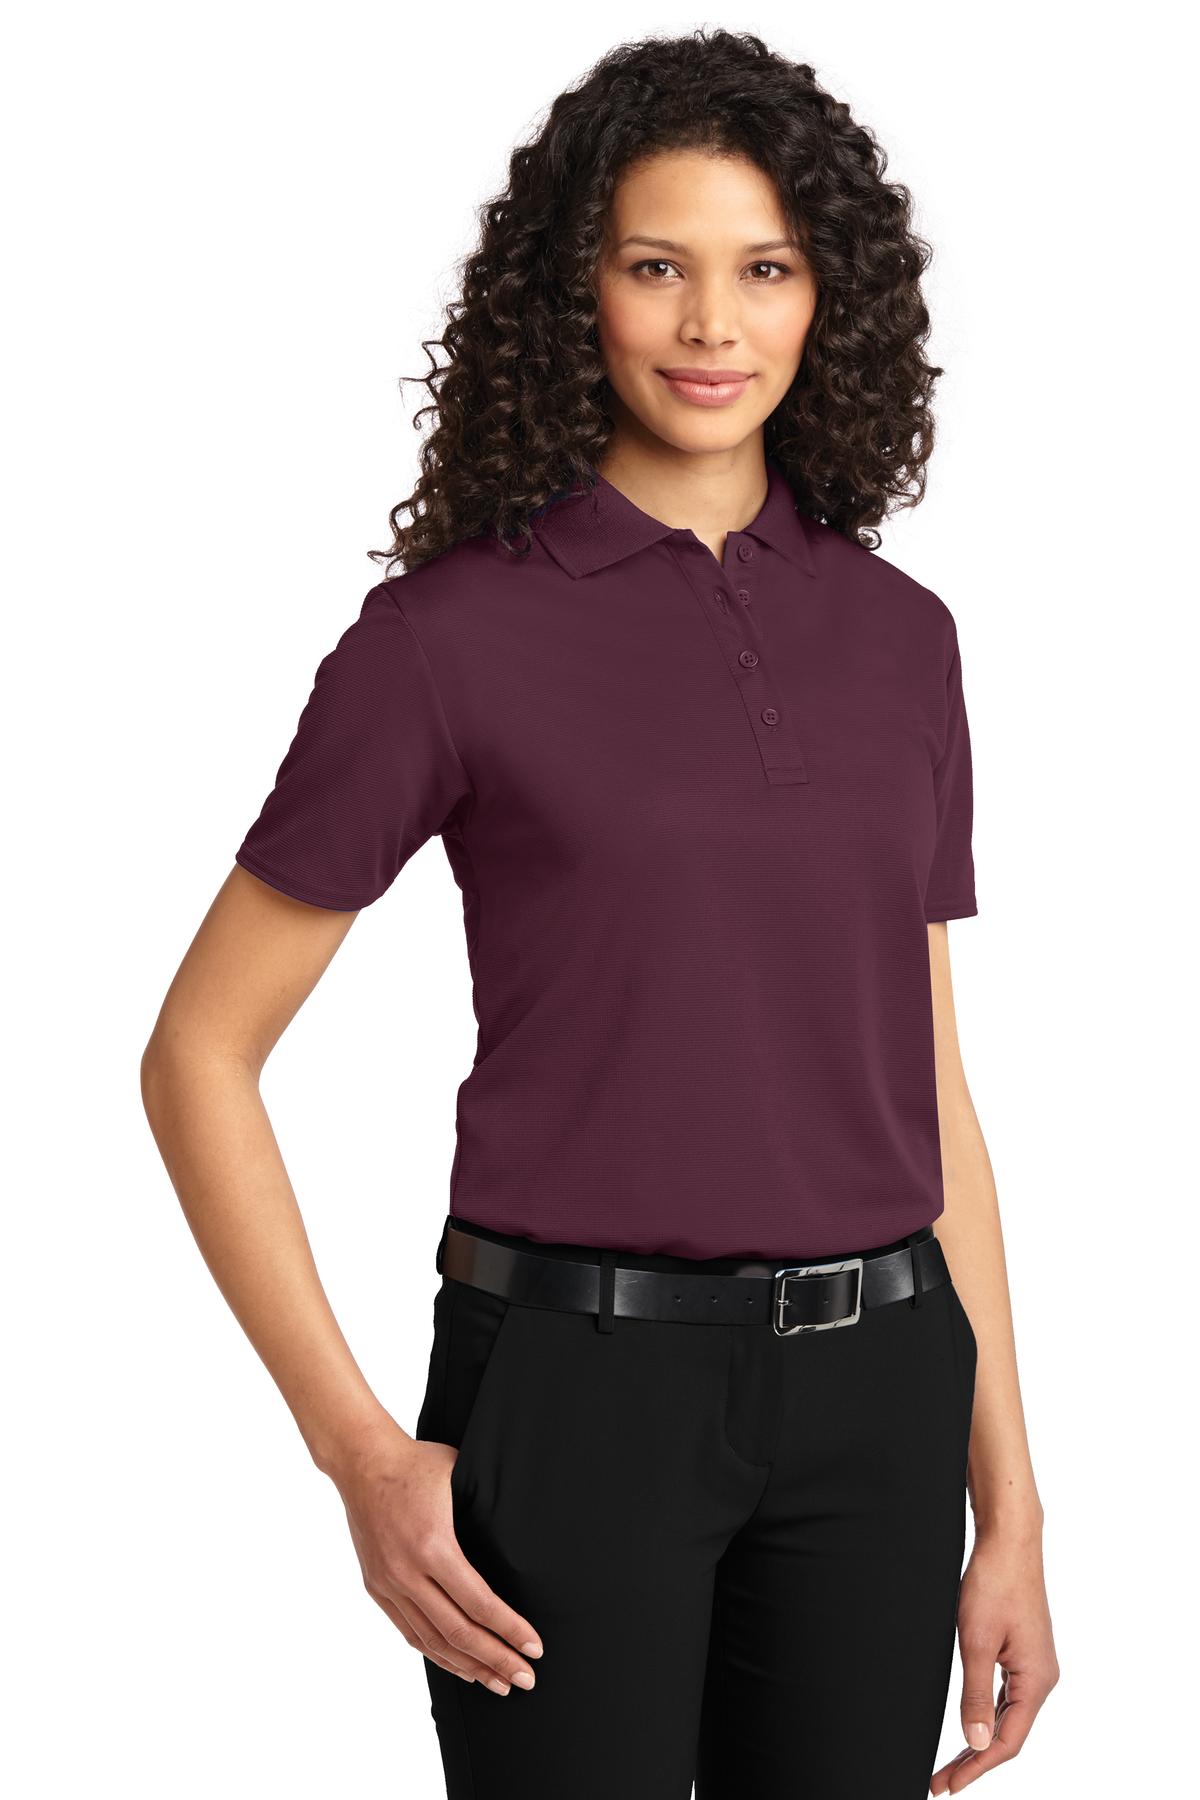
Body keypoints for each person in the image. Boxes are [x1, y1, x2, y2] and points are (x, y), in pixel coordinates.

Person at [140, 27, 1059, 1800]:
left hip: (881, 1392)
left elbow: (928, 1089)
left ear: (831, 298)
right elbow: (197, 1055)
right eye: (656, 267)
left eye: (765, 269)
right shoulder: (444, 642)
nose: (713, 325)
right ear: (576, 292)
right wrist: (358, 1452)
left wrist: (1009, 1501)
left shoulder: (902, 639)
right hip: (578, 1387)